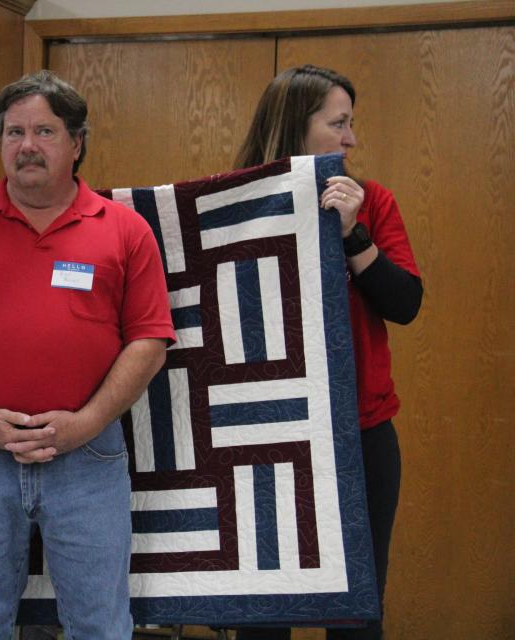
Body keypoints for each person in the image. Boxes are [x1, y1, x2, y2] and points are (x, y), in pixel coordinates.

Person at [0, 70, 176, 640]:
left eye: (45, 131)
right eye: (13, 132)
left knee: (100, 625)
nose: (26, 145)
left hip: (89, 458)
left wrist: (87, 423)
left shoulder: (124, 230)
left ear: (77, 144)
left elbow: (148, 343)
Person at [233, 65, 423, 639]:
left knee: (357, 608)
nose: (351, 139)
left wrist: (353, 234)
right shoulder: (235, 203)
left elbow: (406, 302)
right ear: (297, 125)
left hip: (361, 432)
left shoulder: (374, 202)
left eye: (351, 123)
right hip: (265, 435)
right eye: (338, 123)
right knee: (264, 608)